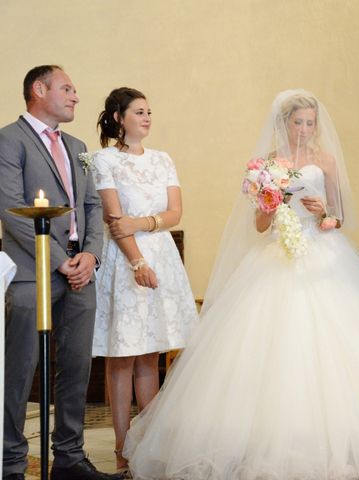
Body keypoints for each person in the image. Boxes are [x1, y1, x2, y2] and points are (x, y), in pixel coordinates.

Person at [122, 90, 359, 479]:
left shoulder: (326, 161)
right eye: (297, 122)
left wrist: (325, 214)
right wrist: (270, 205)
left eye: (310, 123)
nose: (304, 130)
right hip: (274, 256)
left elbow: (340, 217)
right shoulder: (268, 165)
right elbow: (258, 225)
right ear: (284, 123)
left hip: (323, 256)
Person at [0, 66, 122, 480]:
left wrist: (90, 256)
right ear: (39, 89)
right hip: (33, 272)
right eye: (67, 88)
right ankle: (11, 463)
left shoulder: (78, 145)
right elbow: (11, 208)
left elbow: (91, 207)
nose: (75, 96)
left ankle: (69, 457)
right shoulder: (8, 140)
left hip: (79, 272)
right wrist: (57, 260)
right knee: (20, 370)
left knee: (77, 368)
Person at [92, 87, 198, 475]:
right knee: (122, 355)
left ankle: (147, 444)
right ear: (119, 118)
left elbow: (174, 213)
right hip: (126, 261)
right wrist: (137, 262)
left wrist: (145, 223)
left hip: (162, 256)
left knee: (151, 354)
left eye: (149, 111)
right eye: (139, 112)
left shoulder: (163, 159)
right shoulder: (103, 160)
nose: (147, 118)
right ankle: (121, 447)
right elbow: (114, 220)